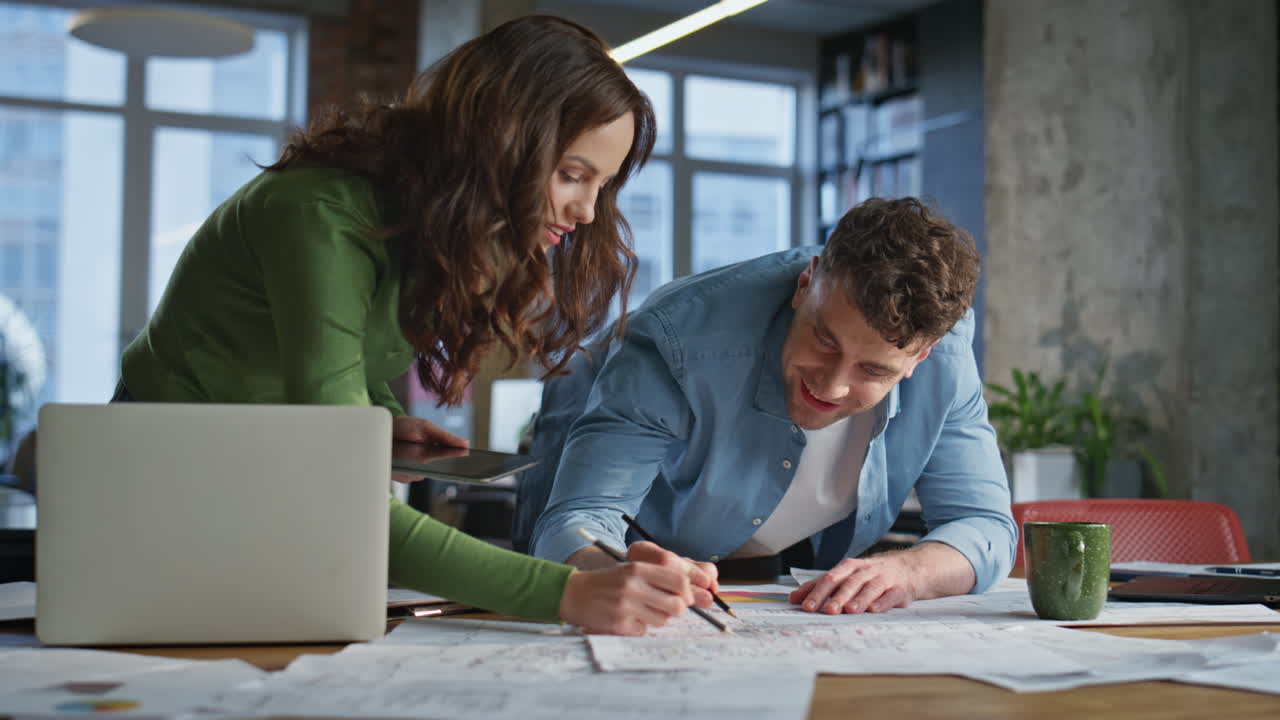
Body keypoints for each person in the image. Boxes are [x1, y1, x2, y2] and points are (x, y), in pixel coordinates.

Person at [115, 15, 716, 636]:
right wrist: (567, 592)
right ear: (498, 141)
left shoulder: (421, 222)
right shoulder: (318, 214)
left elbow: (330, 354)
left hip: (258, 466)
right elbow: (344, 492)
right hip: (167, 471)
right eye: (571, 174)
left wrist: (377, 417)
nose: (588, 211)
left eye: (602, 185)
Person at [517, 197, 1016, 616]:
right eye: (824, 340)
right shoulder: (678, 338)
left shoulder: (945, 358)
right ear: (806, 285)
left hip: (786, 559)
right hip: (640, 517)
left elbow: (987, 526)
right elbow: (580, 518)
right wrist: (609, 570)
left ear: (920, 356)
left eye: (874, 371)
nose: (834, 387)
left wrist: (910, 571)